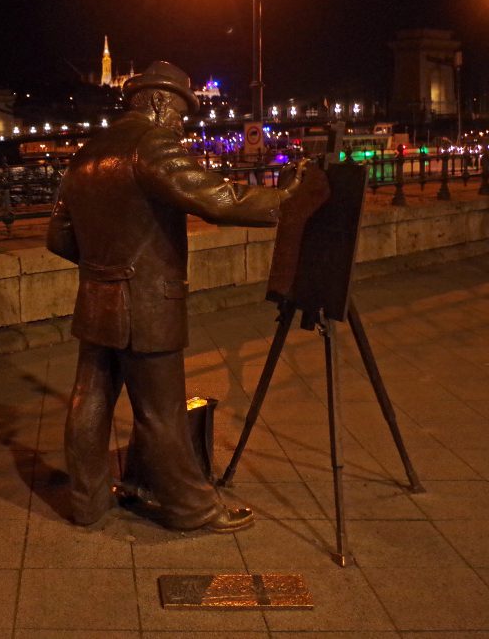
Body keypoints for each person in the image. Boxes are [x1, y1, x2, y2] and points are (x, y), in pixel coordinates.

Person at [46, 61, 328, 531]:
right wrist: (287, 201)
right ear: (158, 103)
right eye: (180, 113)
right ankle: (189, 508)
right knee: (161, 411)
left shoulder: (87, 153)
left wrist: (106, 269)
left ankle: (88, 501)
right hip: (148, 300)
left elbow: (58, 237)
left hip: (98, 295)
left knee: (89, 395)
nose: (182, 125)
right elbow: (217, 200)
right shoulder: (152, 144)